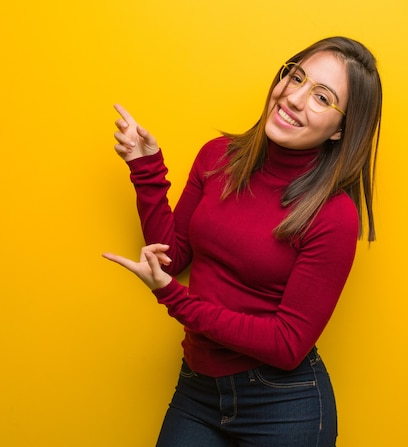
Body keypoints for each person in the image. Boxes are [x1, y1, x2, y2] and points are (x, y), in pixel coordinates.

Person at [103, 36, 382, 446]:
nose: (294, 97)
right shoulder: (217, 157)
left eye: (322, 97)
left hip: (284, 406)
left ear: (342, 131)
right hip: (197, 389)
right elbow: (173, 256)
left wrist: (175, 300)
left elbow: (288, 343)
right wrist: (144, 169)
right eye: (296, 76)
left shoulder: (333, 214)